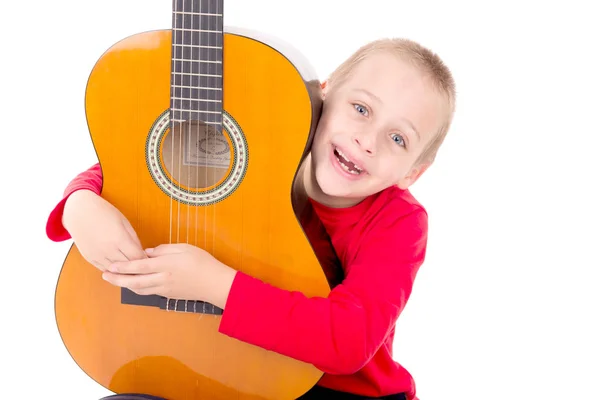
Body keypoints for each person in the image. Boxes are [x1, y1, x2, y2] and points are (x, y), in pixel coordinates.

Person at [46, 37, 456, 400]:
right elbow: (137, 166)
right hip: (232, 370)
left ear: (412, 173)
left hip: (344, 394)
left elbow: (348, 341)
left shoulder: (399, 223)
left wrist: (213, 284)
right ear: (321, 99)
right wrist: (79, 202)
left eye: (398, 138)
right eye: (361, 109)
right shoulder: (264, 145)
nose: (367, 142)